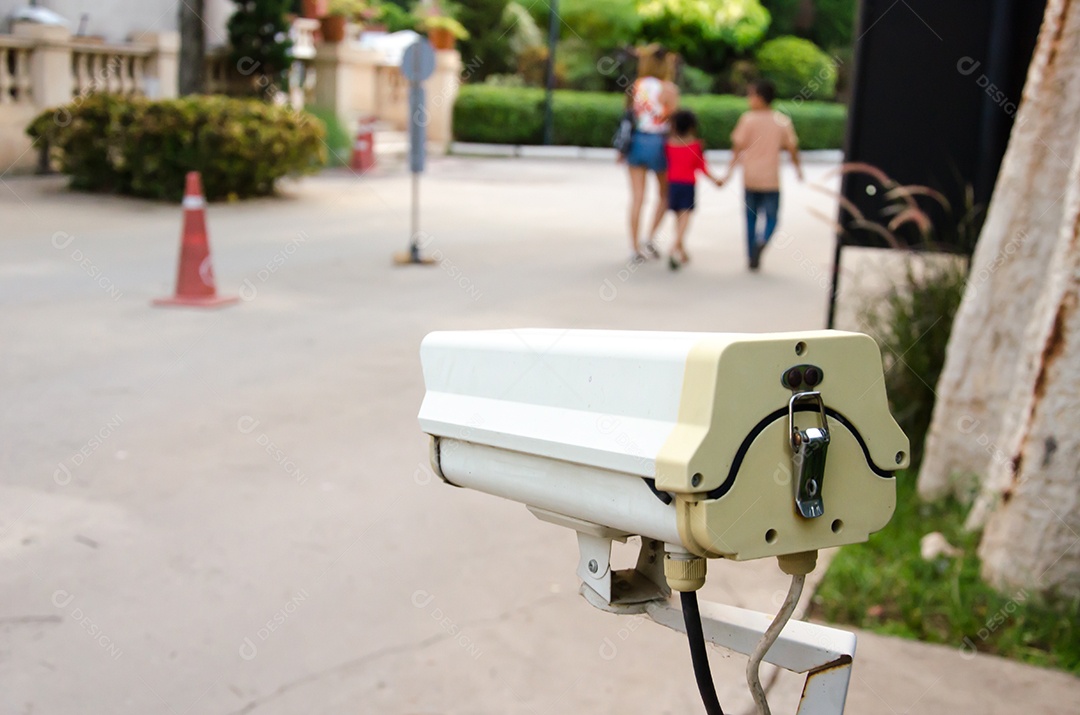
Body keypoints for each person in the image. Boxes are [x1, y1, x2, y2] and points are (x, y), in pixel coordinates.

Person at [723, 79, 803, 271]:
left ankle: (751, 255)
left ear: (759, 98)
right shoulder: (781, 120)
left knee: (750, 218)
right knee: (772, 218)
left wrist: (728, 173)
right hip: (770, 179)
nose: (749, 99)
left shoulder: (747, 119)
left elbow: (737, 148)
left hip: (750, 177)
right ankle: (763, 240)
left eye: (751, 95)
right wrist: (798, 169)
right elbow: (792, 147)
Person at [622, 44, 680, 262]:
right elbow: (673, 120)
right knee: (664, 194)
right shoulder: (669, 89)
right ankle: (650, 237)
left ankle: (633, 247)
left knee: (637, 197)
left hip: (636, 140)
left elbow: (628, 115)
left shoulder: (636, 86)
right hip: (659, 142)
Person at [664, 109, 722, 270]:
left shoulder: (668, 145)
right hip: (688, 185)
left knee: (678, 219)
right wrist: (716, 180)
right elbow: (702, 167)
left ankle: (682, 250)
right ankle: (674, 247)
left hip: (673, 184)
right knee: (685, 218)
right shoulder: (696, 146)